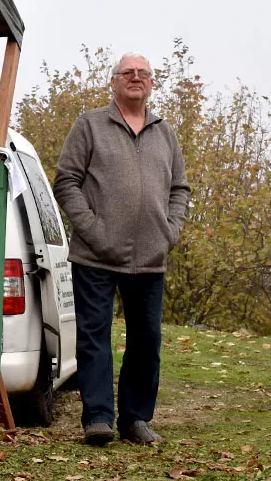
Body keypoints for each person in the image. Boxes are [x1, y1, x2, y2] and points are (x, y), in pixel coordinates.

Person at [53, 52, 190, 446]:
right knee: (94, 337)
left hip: (151, 258)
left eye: (143, 73)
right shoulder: (90, 125)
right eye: (127, 72)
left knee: (146, 340)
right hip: (94, 256)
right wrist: (94, 230)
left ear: (151, 84)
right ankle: (98, 419)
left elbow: (180, 188)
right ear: (113, 82)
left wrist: (170, 231)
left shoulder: (165, 133)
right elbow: (67, 182)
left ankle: (135, 420)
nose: (135, 78)